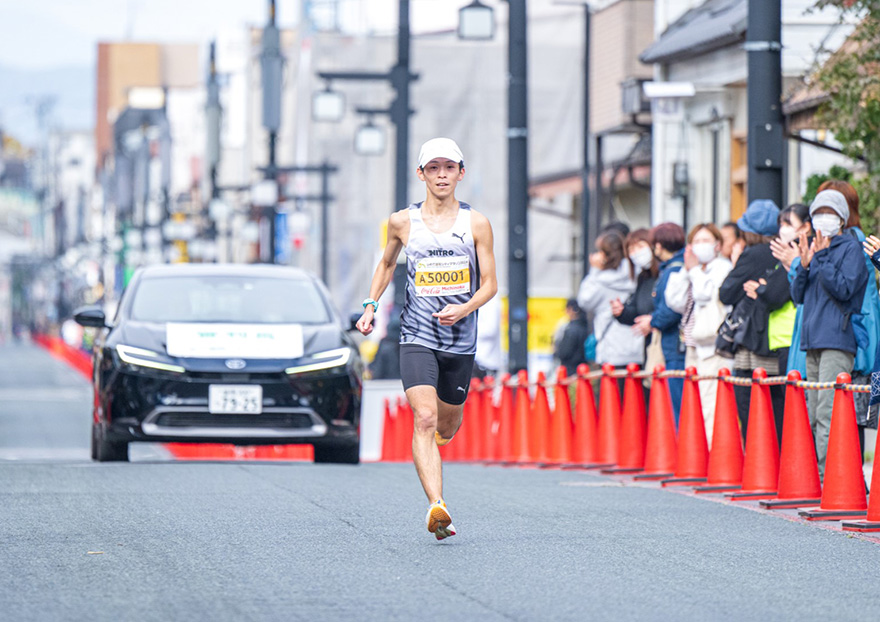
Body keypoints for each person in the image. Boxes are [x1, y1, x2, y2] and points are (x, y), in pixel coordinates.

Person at [356, 137, 498, 541]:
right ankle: (437, 505)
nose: (441, 175)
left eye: (448, 168)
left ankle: (441, 439)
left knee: (447, 424)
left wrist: (465, 308)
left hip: (460, 338)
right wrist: (369, 306)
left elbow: (490, 284)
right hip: (417, 333)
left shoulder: (476, 223)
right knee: (425, 417)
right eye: (433, 168)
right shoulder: (403, 222)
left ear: (460, 173)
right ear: (421, 174)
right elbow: (385, 264)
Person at [791, 189, 869, 479]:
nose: (824, 219)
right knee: (813, 413)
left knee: (828, 412)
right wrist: (804, 265)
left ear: (842, 218)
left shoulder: (851, 248)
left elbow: (845, 289)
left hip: (837, 340)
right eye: (818, 213)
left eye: (831, 213)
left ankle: (832, 480)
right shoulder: (813, 249)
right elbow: (798, 296)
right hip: (812, 341)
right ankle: (819, 476)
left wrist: (821, 259)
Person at [719, 200, 790, 445]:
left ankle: (759, 466)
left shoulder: (751, 254)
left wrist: (736, 262)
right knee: (779, 408)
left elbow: (726, 293)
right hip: (779, 340)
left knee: (750, 407)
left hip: (752, 341)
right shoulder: (784, 253)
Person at [663, 224, 732, 443]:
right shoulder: (693, 270)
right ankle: (701, 453)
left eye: (706, 241)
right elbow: (674, 301)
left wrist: (693, 270)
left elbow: (705, 295)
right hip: (692, 345)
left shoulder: (722, 268)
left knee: (711, 402)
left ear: (718, 245)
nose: (701, 246)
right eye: (696, 242)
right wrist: (686, 270)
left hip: (714, 346)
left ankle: (715, 456)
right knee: (696, 403)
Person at [577, 230, 644, 370]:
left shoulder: (601, 281)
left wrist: (594, 270)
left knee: (612, 391)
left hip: (611, 349)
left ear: (605, 255)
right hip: (638, 346)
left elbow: (584, 300)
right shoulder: (636, 273)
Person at [648, 223, 687, 419]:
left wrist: (653, 321)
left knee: (679, 404)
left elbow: (671, 309)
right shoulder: (675, 268)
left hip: (676, 345)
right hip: (676, 344)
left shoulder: (674, 270)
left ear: (659, 245)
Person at [769, 204, 812, 377]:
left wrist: (794, 264)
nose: (783, 229)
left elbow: (773, 293)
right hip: (789, 334)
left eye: (788, 224)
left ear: (806, 226)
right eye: (781, 224)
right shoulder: (784, 254)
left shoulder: (807, 251)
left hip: (798, 332)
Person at [555, 298, 590, 376]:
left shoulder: (571, 329)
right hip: (584, 369)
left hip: (570, 370)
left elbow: (564, 352)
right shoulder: (586, 327)